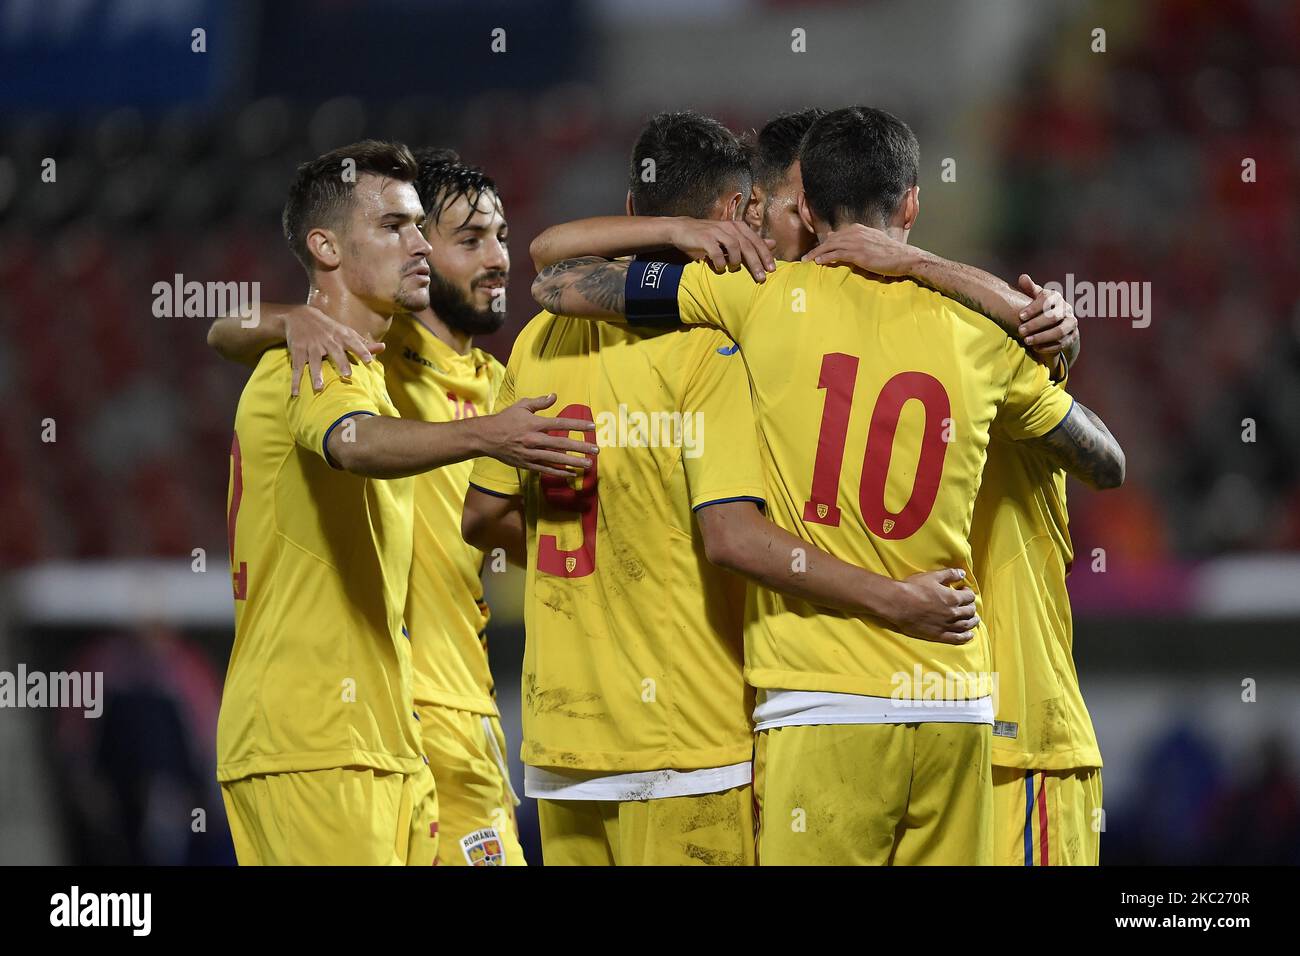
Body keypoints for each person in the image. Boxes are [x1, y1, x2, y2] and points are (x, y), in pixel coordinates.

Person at [529, 106, 1125, 864]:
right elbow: (1108, 463)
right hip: (960, 699)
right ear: (911, 201)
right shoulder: (985, 330)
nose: (755, 227)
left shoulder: (757, 306)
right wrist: (1001, 304)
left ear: (806, 208)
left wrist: (677, 239)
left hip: (841, 704)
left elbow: (555, 277)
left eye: (769, 208)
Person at [463, 111, 975, 866]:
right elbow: (732, 537)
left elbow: (484, 513)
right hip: (691, 739)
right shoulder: (717, 339)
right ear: (738, 215)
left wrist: (606, 549)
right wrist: (897, 599)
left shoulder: (540, 336)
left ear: (634, 216)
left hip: (563, 741)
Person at [216, 140, 596, 865]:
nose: (495, 259)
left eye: (422, 228)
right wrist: (290, 318)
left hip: (402, 726)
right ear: (329, 246)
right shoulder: (346, 362)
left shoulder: (491, 378)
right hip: (333, 729)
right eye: (403, 228)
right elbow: (345, 435)